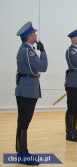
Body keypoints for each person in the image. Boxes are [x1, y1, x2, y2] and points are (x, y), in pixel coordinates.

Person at [15, 22, 48, 165]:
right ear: (29, 36)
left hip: (27, 88)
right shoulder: (27, 51)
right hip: (27, 89)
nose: (36, 35)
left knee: (23, 121)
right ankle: (22, 154)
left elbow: (34, 69)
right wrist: (43, 52)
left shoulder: (27, 49)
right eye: (34, 33)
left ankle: (22, 151)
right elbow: (43, 67)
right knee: (24, 122)